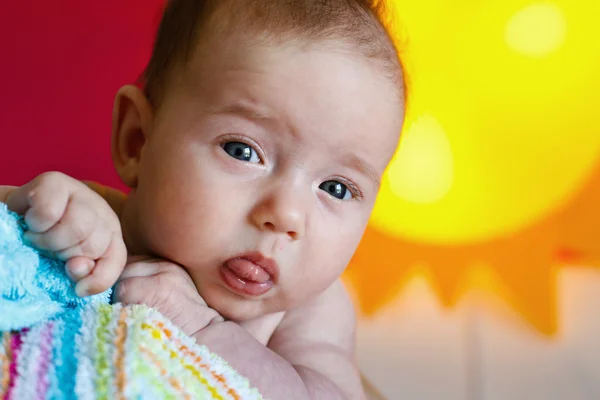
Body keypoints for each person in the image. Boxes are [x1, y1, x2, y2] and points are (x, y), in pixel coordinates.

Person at [0, 0, 405, 398]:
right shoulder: (97, 223)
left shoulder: (310, 312)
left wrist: (202, 329)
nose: (286, 215)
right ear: (137, 141)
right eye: (242, 151)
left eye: (336, 188)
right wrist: (34, 211)